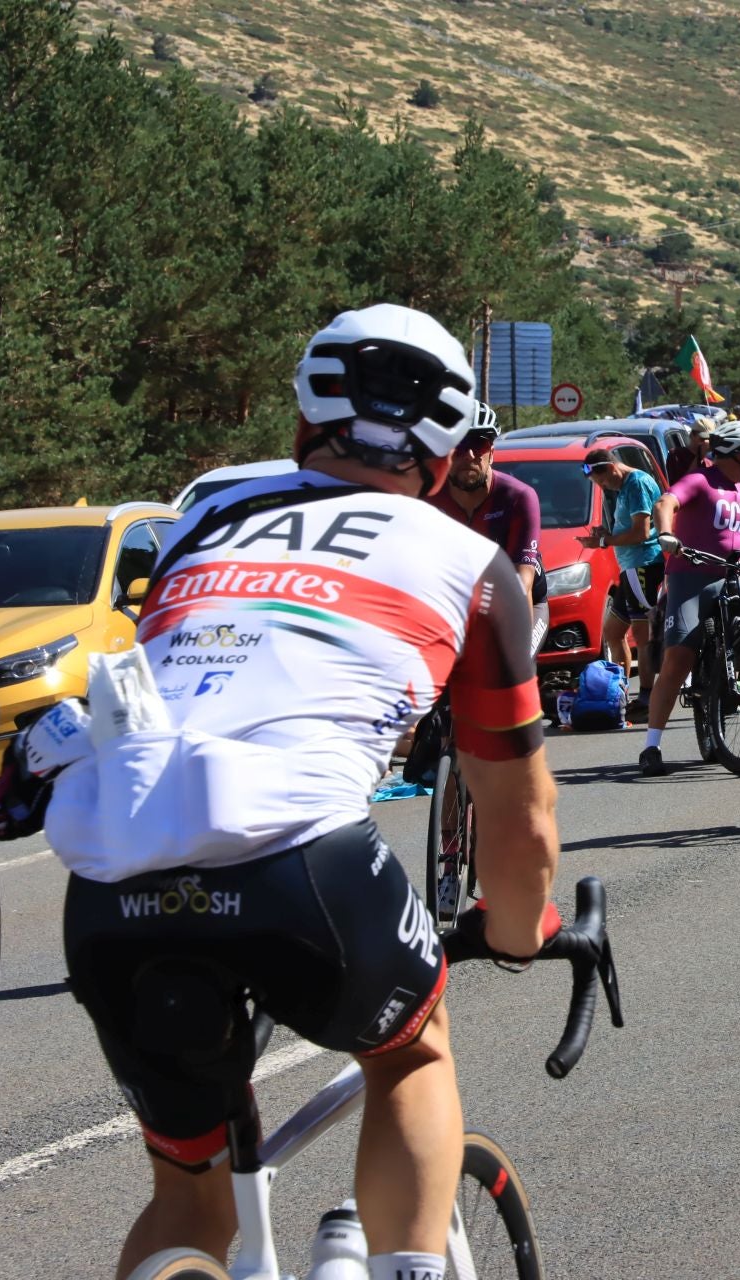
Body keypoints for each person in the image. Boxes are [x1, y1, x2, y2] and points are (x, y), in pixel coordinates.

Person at [52, 303, 558, 1279]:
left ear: (298, 423)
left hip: (110, 878)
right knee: (410, 1049)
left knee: (187, 1195)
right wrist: (518, 925)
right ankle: (407, 1261)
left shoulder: (204, 523)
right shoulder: (475, 567)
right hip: (298, 863)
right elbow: (520, 813)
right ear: (450, 452)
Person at [640, 422, 740, 776]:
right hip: (691, 578)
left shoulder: (739, 489)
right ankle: (651, 746)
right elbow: (666, 501)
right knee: (677, 659)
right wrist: (665, 533)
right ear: (737, 456)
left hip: (730, 577)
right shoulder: (701, 479)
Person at [429, 404, 547, 651]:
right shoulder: (429, 497)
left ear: (491, 453)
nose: (470, 455)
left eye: (479, 444)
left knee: (513, 663)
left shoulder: (519, 497)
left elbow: (519, 585)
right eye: (459, 446)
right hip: (459, 601)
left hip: (522, 600)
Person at [579, 448, 663, 715]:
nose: (603, 486)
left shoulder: (636, 483)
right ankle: (621, 691)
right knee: (613, 632)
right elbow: (628, 527)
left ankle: (648, 697)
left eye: (602, 480)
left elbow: (640, 532)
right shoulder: (621, 487)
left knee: (642, 633)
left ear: (611, 468)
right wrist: (608, 532)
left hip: (644, 564)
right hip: (629, 566)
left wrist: (604, 541)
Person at [664, 415, 713, 486]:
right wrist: (699, 457)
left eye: (709, 439)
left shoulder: (709, 463)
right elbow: (679, 486)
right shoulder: (676, 455)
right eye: (702, 439)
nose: (706, 442)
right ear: (692, 435)